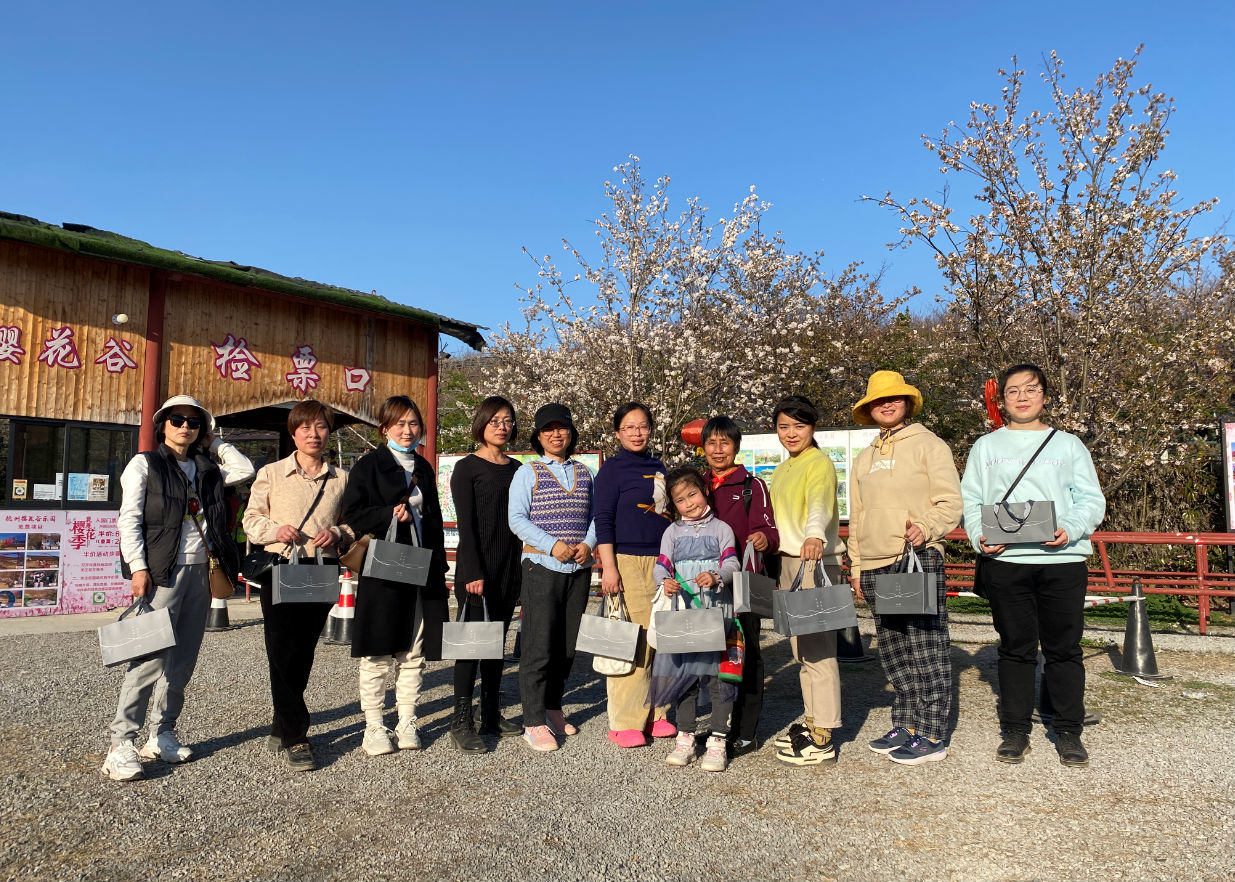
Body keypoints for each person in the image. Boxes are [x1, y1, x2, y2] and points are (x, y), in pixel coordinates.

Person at [103, 395, 254, 782]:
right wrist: (138, 568)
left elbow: (244, 468)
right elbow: (129, 519)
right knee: (149, 657)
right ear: (163, 425)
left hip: (202, 572)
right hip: (162, 573)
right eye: (177, 420)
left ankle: (163, 733)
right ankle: (122, 742)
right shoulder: (145, 464)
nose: (185, 426)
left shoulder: (206, 468)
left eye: (193, 422)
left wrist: (215, 443)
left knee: (183, 659)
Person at [961, 363, 1106, 767]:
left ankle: (1068, 730)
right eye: (1013, 391)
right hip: (1007, 560)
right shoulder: (985, 447)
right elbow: (970, 501)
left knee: (1064, 648)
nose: (1022, 397)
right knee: (1016, 649)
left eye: (1031, 389)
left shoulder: (1068, 445)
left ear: (1044, 395)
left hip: (1062, 558)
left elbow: (1091, 500)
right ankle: (1015, 729)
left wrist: (1071, 528)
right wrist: (979, 536)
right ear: (1001, 400)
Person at [847, 371, 963, 765]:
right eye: (879, 400)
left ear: (907, 402)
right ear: (869, 408)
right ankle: (907, 723)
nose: (887, 404)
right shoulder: (864, 457)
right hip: (875, 562)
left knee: (926, 646)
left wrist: (926, 528)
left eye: (894, 398)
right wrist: (857, 566)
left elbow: (950, 503)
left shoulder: (930, 445)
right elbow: (857, 517)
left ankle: (932, 732)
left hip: (916, 557)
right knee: (894, 650)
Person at [242, 399, 353, 772]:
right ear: (293, 433)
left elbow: (353, 524)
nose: (313, 434)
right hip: (279, 567)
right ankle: (296, 735)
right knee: (280, 649)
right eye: (305, 427)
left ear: (328, 432)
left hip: (320, 568)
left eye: (320, 427)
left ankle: (282, 720)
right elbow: (251, 519)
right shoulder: (271, 473)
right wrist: (275, 530)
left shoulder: (342, 478)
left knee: (304, 650)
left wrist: (337, 531)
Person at [340, 395, 449, 756]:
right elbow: (353, 513)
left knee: (415, 650)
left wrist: (440, 568)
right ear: (384, 428)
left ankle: (406, 721)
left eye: (413, 423)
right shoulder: (369, 465)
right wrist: (389, 514)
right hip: (385, 567)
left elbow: (432, 519)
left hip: (422, 566)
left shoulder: (424, 467)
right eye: (399, 424)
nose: (407, 430)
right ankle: (373, 725)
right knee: (378, 650)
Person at [507, 403, 596, 752]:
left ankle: (553, 708)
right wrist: (552, 544)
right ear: (538, 435)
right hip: (541, 565)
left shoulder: (586, 472)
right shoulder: (528, 472)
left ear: (571, 433)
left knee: (567, 644)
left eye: (562, 428)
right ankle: (532, 720)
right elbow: (517, 518)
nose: (556, 434)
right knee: (538, 645)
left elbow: (596, 516)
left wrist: (588, 544)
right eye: (548, 429)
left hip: (579, 568)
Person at [767, 394, 845, 767]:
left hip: (813, 560)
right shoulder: (783, 469)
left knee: (819, 649)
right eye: (784, 426)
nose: (791, 433)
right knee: (801, 649)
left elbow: (819, 503)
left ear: (813, 427)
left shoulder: (819, 462)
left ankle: (824, 735)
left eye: (799, 426)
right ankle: (813, 720)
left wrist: (815, 534)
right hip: (789, 562)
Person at [594, 402, 674, 748]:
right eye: (629, 427)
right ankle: (626, 719)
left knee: (663, 635)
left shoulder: (660, 468)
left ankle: (659, 712)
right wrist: (608, 567)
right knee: (631, 639)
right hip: (626, 560)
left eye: (642, 426)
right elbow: (603, 521)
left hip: (662, 559)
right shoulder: (612, 470)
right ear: (617, 433)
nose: (637, 433)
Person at [651, 467, 741, 772]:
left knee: (719, 676)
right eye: (680, 499)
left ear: (705, 491)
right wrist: (665, 582)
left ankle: (718, 739)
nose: (689, 503)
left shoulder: (722, 529)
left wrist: (717, 576)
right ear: (673, 504)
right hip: (684, 615)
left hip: (716, 613)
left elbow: (732, 562)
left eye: (693, 494)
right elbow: (660, 566)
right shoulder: (671, 532)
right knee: (684, 678)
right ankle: (685, 736)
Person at [700, 415, 780, 757]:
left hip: (742, 584)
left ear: (736, 446)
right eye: (712, 443)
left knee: (746, 656)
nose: (718, 450)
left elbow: (771, 530)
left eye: (725, 443)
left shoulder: (753, 486)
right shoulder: (698, 485)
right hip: (704, 585)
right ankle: (719, 725)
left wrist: (764, 538)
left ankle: (745, 731)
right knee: (709, 655)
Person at [448, 396, 524, 752]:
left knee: (496, 643)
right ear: (481, 423)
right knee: (471, 644)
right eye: (494, 420)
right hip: (476, 568)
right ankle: (460, 720)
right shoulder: (467, 467)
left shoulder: (518, 468)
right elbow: (466, 526)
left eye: (507, 420)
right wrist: (473, 571)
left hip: (510, 565)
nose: (501, 426)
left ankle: (490, 712)